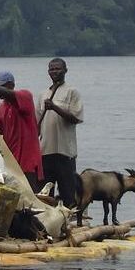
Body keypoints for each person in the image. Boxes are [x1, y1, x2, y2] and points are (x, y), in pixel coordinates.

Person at [35, 58, 84, 207]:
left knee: (68, 194)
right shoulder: (43, 94)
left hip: (65, 153)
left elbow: (75, 118)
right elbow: (36, 124)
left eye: (57, 69)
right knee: (44, 194)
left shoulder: (72, 92)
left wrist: (55, 107)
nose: (54, 71)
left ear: (65, 70)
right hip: (45, 152)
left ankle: (68, 223)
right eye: (51, 69)